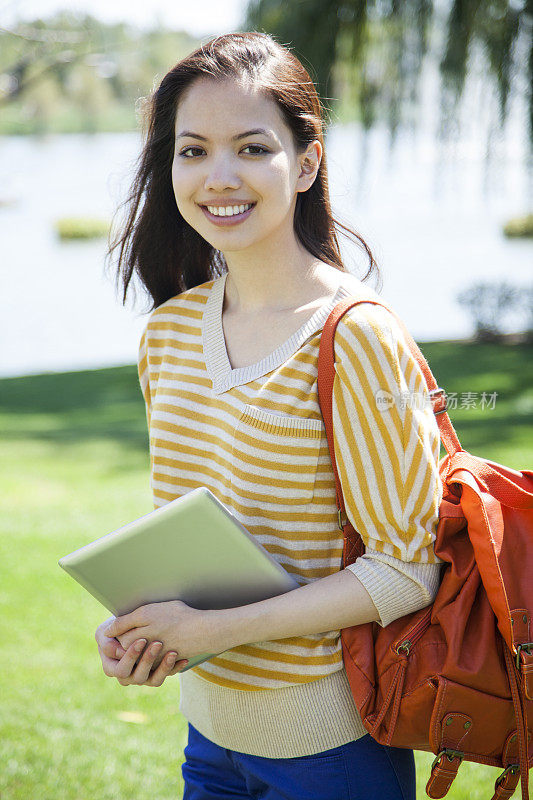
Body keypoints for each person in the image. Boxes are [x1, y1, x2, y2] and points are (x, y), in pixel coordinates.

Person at [96, 31, 444, 800]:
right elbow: (192, 532)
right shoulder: (167, 334)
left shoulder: (355, 337)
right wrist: (144, 626)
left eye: (252, 148)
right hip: (209, 743)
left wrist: (212, 632)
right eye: (192, 151)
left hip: (331, 756)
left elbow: (406, 568)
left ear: (307, 163)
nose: (218, 176)